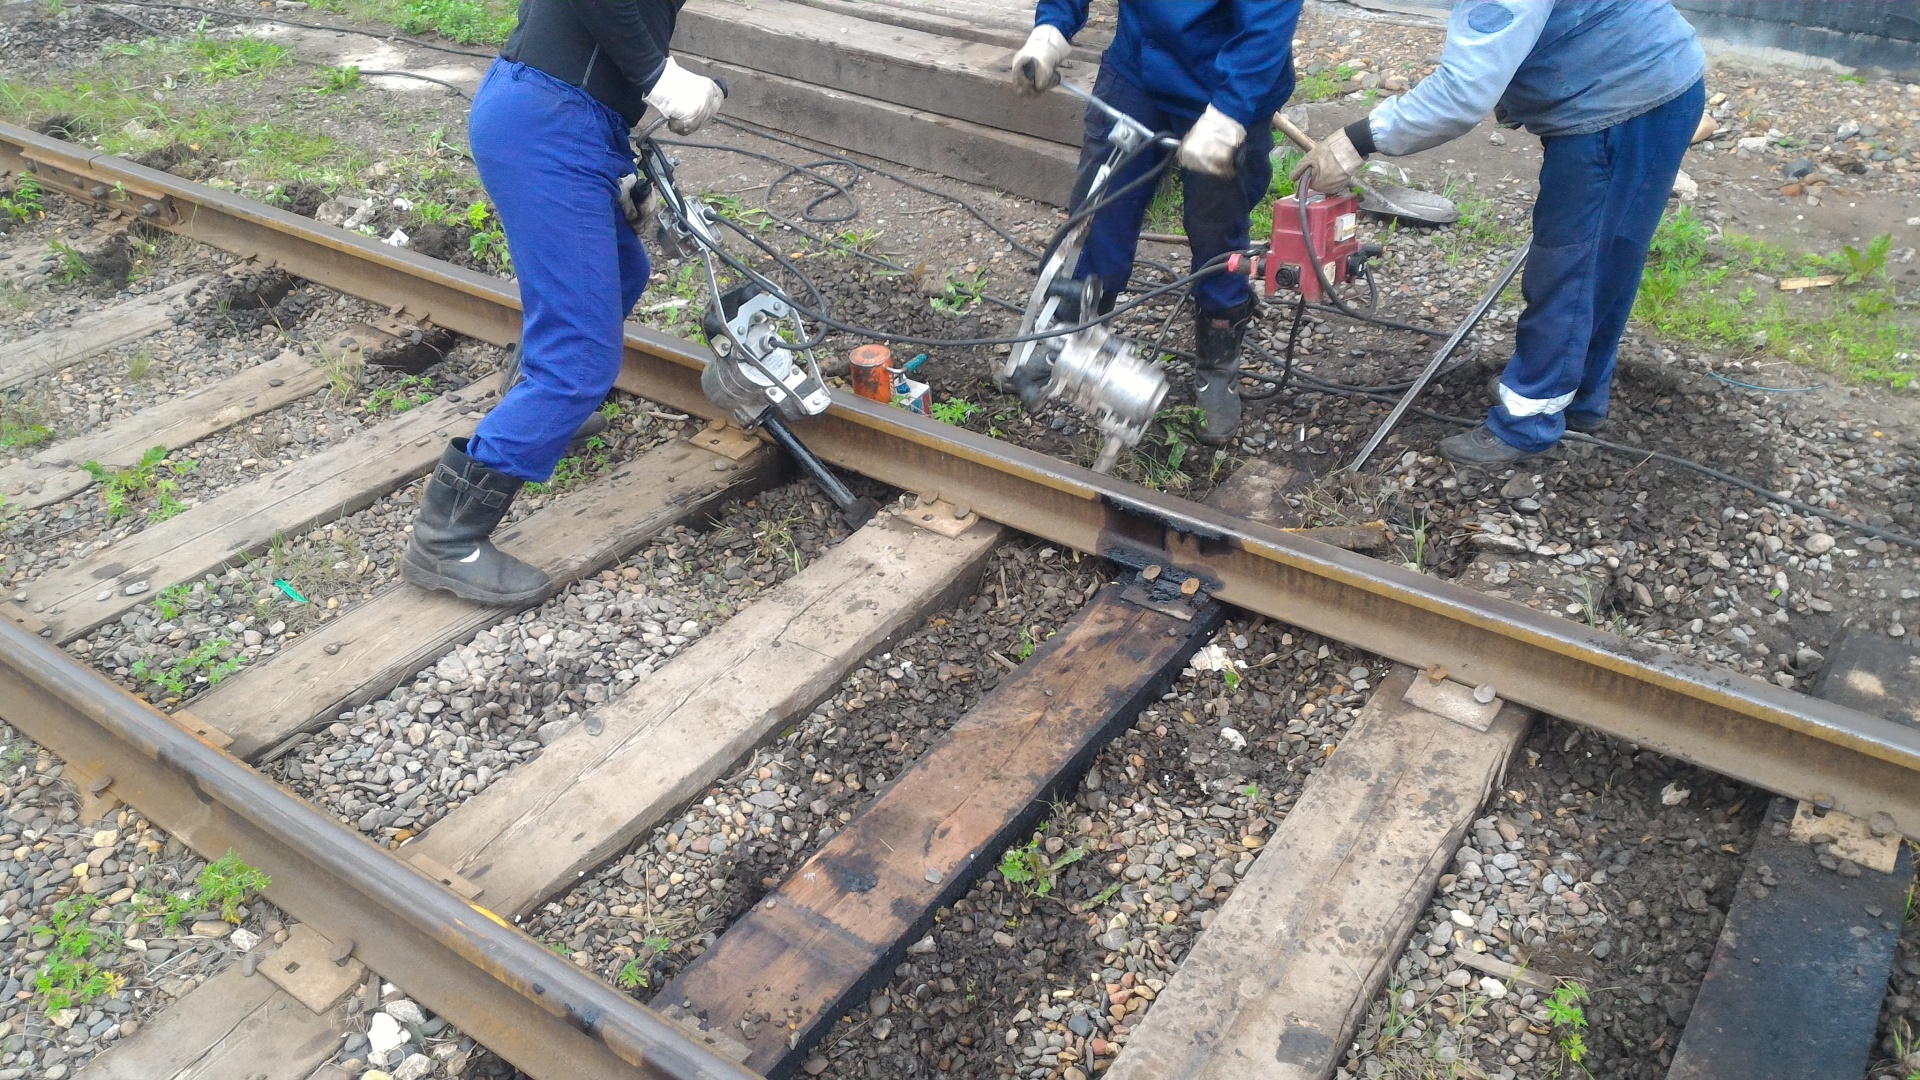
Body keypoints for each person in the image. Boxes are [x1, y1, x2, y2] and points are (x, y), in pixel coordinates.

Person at [402, 0, 723, 604]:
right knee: (579, 360)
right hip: (548, 125)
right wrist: (657, 75)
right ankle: (446, 537)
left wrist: (618, 153)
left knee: (623, 271)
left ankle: (535, 412)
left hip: (567, 118)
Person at [1294, 0, 1705, 466]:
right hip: (1655, 85)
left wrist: (1353, 143)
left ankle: (1528, 422)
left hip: (1619, 104)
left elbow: (1461, 94)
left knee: (1569, 270)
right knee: (1604, 258)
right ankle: (1581, 396)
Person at [1011, 0, 1303, 447]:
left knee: (1218, 226)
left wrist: (1231, 110)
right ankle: (1070, 331)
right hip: (1138, 66)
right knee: (1100, 207)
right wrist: (1052, 26)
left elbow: (1268, 20)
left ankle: (1218, 356)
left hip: (1226, 78)